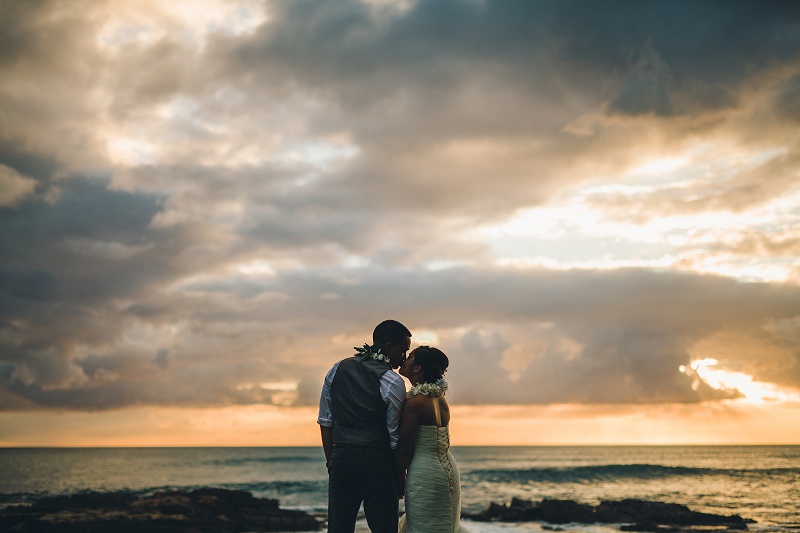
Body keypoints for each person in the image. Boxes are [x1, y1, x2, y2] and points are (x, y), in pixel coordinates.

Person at [318, 319, 412, 533]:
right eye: (403, 350)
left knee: (339, 528)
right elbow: (394, 436)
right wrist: (399, 476)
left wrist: (331, 462)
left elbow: (326, 421)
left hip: (342, 459)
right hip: (378, 463)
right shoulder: (392, 381)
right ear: (388, 347)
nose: (404, 357)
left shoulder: (336, 369)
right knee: (384, 528)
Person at [395, 346, 467, 533]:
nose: (405, 359)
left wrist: (396, 479)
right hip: (448, 471)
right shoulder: (440, 399)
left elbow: (404, 449)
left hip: (425, 474)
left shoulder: (415, 403)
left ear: (417, 368)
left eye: (410, 357)